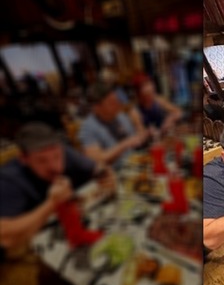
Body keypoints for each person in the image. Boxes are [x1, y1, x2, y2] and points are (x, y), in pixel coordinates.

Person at [0, 122, 114, 252]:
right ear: (23, 159)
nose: (55, 167)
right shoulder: (9, 180)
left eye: (57, 156)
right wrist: (52, 203)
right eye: (42, 160)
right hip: (29, 248)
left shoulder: (62, 151)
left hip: (69, 233)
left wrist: (105, 174)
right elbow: (5, 238)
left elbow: (97, 168)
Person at [78, 82, 149, 168]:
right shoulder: (88, 127)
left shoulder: (120, 116)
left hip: (137, 164)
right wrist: (124, 144)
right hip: (117, 171)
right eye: (111, 102)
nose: (117, 104)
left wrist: (139, 125)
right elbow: (96, 160)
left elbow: (137, 140)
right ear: (96, 107)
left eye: (116, 99)